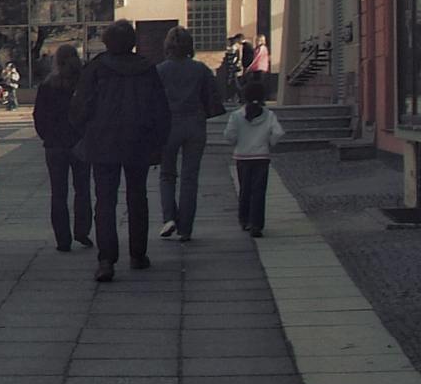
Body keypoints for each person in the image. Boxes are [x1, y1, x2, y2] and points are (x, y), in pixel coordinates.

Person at [72, 20, 171, 283]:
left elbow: (81, 106)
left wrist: (85, 130)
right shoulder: (147, 69)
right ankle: (138, 254)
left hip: (103, 142)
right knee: (137, 197)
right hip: (138, 141)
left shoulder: (96, 69)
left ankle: (106, 259)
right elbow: (160, 108)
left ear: (107, 41)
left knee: (105, 201)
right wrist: (158, 142)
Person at [157, 26, 221, 243]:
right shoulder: (200, 69)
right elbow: (212, 96)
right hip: (195, 124)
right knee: (189, 178)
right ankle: (186, 228)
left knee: (167, 175)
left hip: (168, 126)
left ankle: (169, 218)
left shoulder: (160, 71)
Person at [33, 44, 92, 252]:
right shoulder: (83, 84)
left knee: (58, 192)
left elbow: (39, 117)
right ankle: (82, 230)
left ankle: (62, 238)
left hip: (55, 146)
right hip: (80, 142)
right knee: (82, 189)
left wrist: (48, 137)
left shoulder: (48, 86)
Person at [224, 74, 284, 236]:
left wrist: (236, 142)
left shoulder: (237, 115)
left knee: (245, 189)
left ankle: (245, 220)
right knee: (259, 190)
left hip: (242, 156)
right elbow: (278, 133)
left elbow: (229, 135)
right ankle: (257, 224)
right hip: (261, 156)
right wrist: (269, 142)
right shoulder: (269, 115)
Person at [219, 34, 244, 104]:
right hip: (231, 69)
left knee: (235, 84)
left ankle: (239, 97)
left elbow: (234, 59)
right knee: (232, 83)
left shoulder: (234, 49)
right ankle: (233, 97)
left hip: (233, 69)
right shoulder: (233, 49)